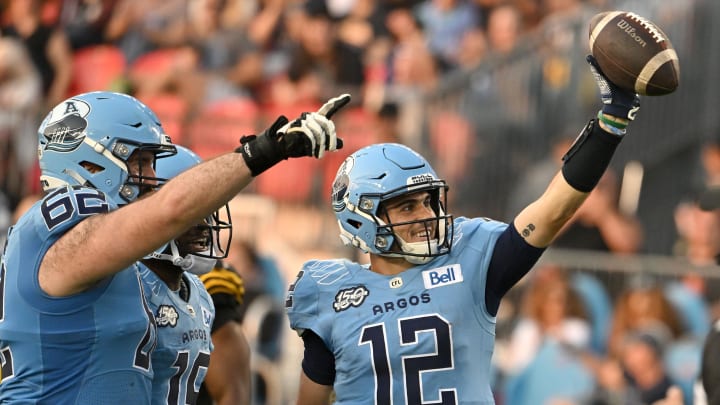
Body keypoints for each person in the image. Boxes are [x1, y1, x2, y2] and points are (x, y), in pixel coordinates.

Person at [285, 55, 642, 403]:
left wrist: (610, 123)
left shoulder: (468, 260)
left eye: (428, 201)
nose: (425, 214)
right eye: (408, 206)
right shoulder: (332, 293)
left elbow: (551, 212)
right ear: (361, 218)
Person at [0, 90, 349, 402]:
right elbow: (169, 211)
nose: (151, 179)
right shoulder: (50, 233)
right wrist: (261, 152)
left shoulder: (133, 271)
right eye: (140, 162)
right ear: (89, 162)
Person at [140, 144, 247, 405]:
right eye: (193, 210)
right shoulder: (123, 284)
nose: (205, 224)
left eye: (209, 210)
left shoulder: (200, 291)